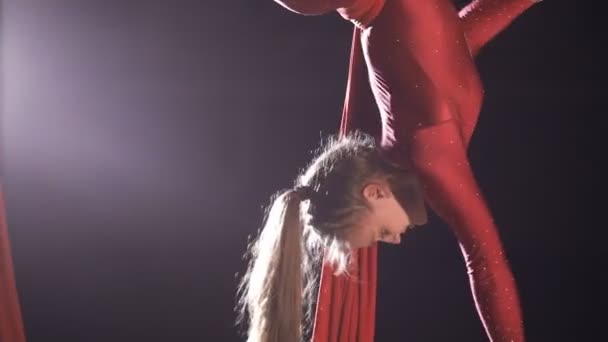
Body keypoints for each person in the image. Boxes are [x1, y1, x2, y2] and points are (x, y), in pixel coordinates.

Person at [237, 0, 542, 341]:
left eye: (382, 231)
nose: (396, 239)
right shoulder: (416, 143)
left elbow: (486, 262)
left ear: (375, 193)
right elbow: (453, 44)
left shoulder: (431, 159)